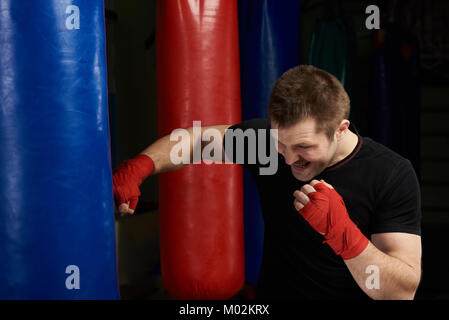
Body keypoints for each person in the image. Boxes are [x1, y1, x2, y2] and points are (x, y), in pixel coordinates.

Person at [113, 65, 422, 300]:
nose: (289, 160)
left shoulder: (390, 174)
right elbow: (192, 141)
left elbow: (401, 291)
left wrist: (344, 236)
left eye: (303, 148)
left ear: (340, 130)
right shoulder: (264, 146)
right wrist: (141, 166)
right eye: (280, 145)